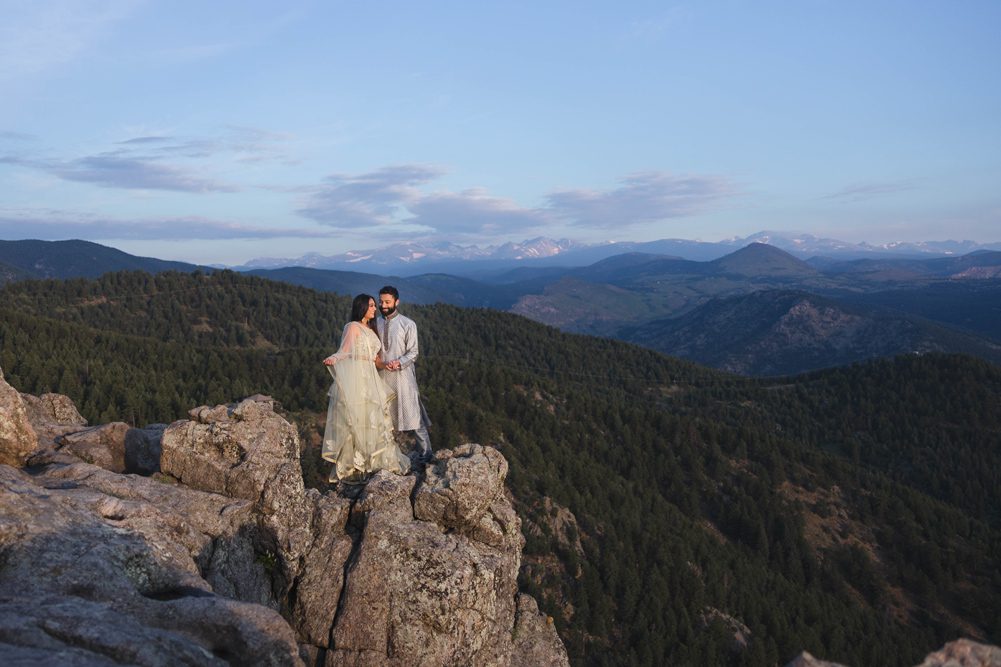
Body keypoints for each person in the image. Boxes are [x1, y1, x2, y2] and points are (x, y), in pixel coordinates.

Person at [321, 293, 409, 483]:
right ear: (361, 307)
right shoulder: (352, 327)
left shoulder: (370, 329)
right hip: (358, 378)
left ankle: (377, 463)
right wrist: (333, 359)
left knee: (375, 419)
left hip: (372, 377)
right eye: (370, 305)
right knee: (357, 420)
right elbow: (344, 351)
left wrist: (388, 365)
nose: (374, 308)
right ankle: (356, 467)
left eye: (373, 305)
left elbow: (375, 360)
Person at [376, 285, 433, 463]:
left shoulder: (407, 324)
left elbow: (413, 352)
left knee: (414, 416)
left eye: (387, 301)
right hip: (382, 378)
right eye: (381, 301)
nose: (383, 305)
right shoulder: (375, 323)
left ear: (396, 302)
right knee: (385, 418)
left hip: (404, 378)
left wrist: (399, 362)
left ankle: (426, 454)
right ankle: (389, 457)